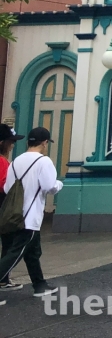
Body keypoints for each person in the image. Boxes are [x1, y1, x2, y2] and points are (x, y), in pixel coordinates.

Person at [0, 127, 62, 303]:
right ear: (44, 143)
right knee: (15, 254)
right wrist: (59, 184)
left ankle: (39, 285)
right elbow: (50, 187)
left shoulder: (16, 161)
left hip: (15, 214)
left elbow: (6, 188)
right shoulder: (44, 161)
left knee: (32, 252)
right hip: (30, 217)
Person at [0, 124, 26, 294]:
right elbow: (4, 185)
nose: (12, 145)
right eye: (11, 141)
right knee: (9, 244)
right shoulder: (2, 161)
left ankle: (4, 280)